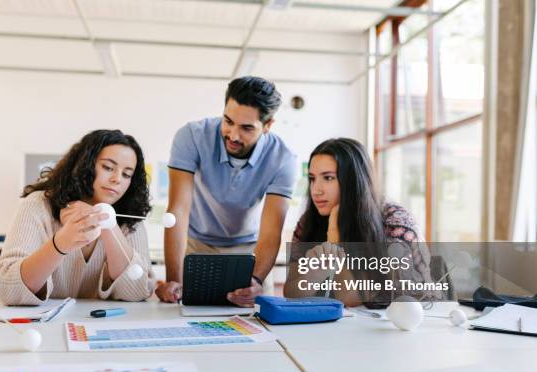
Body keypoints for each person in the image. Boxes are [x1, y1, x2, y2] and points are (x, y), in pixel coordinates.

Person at [156, 76, 298, 307]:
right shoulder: (192, 136)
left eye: (246, 128)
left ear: (268, 126)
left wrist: (256, 279)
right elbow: (177, 212)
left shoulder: (283, 159)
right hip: (197, 245)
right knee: (188, 317)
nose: (233, 135)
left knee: (257, 323)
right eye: (228, 121)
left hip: (249, 251)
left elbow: (271, 231)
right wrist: (174, 281)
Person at [0, 130, 154, 305]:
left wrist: (108, 222)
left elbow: (140, 291)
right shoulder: (38, 205)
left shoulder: (130, 218)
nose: (117, 179)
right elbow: (8, 289)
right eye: (108, 167)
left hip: (92, 327)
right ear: (85, 164)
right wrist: (60, 244)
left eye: (127, 174)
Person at [283, 138, 435, 306]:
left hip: (409, 321)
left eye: (328, 178)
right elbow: (290, 293)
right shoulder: (309, 221)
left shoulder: (396, 224)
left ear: (354, 179)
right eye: (312, 178)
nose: (315, 190)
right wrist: (313, 275)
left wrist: (334, 237)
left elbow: (350, 299)